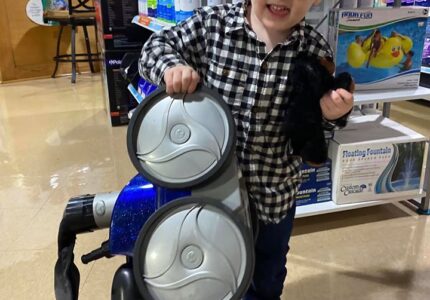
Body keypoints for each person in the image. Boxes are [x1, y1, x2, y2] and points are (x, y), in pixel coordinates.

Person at [139, 0, 354, 299]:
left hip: (274, 198)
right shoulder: (211, 25)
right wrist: (172, 68)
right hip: (209, 195)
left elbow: (310, 134)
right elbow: (154, 47)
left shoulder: (316, 54)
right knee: (209, 270)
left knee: (267, 274)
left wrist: (331, 115)